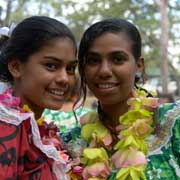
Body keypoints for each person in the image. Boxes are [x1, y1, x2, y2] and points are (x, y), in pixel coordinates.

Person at [61, 18, 180, 180]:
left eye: (117, 59)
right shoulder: (70, 144)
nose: (104, 71)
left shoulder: (173, 123)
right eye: (93, 60)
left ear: (139, 65)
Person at [0, 16, 78, 180]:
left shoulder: (36, 129)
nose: (64, 78)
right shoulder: (6, 128)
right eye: (51, 65)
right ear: (16, 67)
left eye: (70, 68)